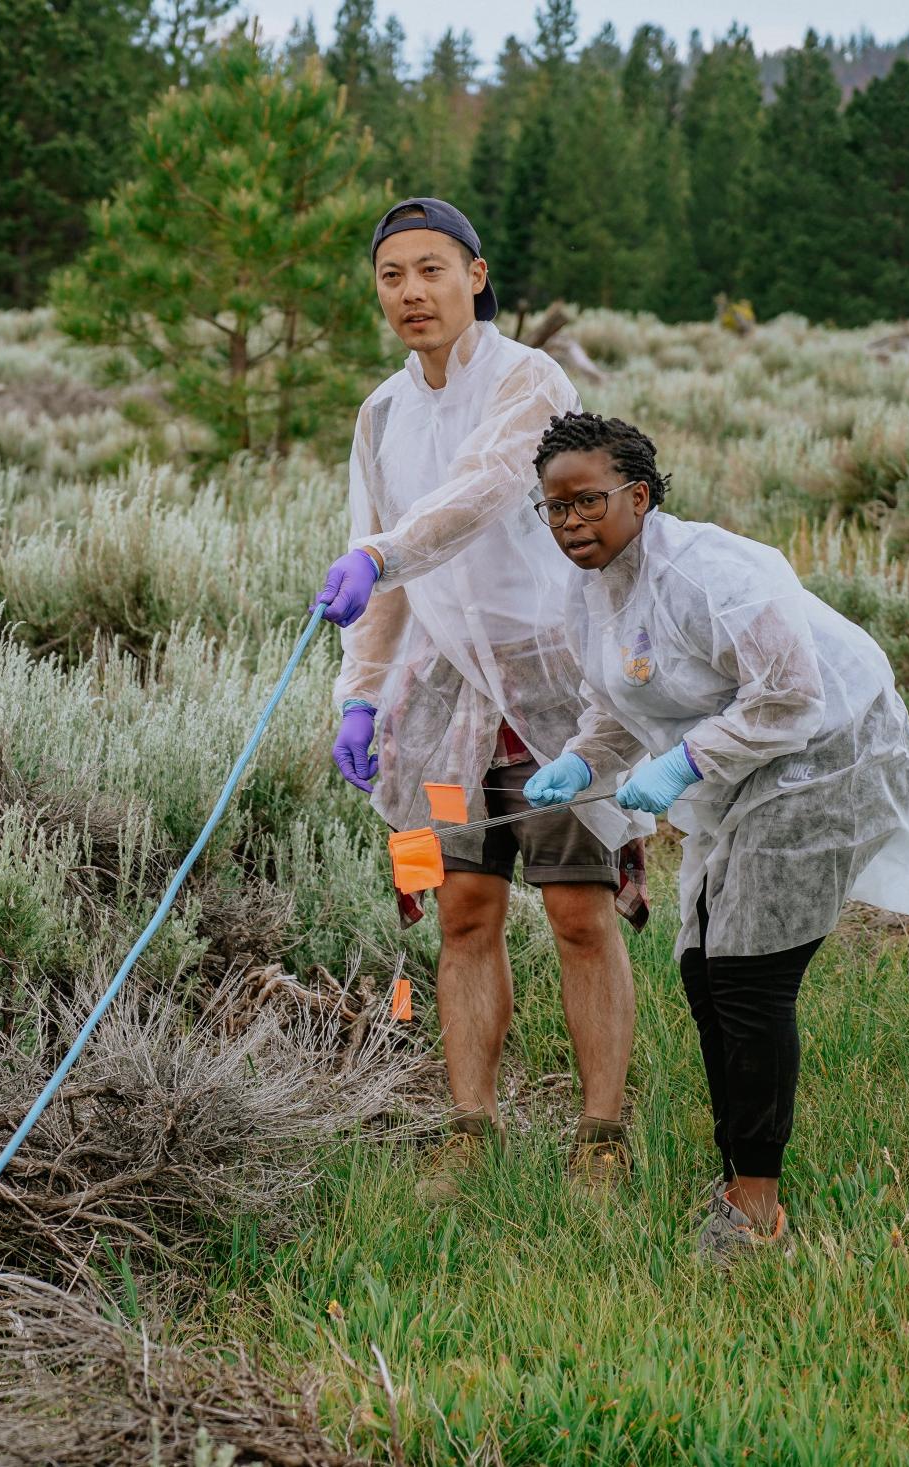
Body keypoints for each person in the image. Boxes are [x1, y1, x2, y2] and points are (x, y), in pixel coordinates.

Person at [519, 411, 909, 1264]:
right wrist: (581, 758)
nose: (570, 524)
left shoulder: (715, 572)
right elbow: (614, 699)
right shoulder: (586, 588)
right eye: (553, 508)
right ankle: (736, 1168)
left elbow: (789, 695)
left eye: (588, 502)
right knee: (704, 972)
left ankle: (755, 1209)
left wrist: (682, 762)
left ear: (638, 494)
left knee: (749, 975)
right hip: (736, 769)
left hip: (826, 753)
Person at [311, 199, 655, 1200]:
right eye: (390, 277)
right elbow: (387, 581)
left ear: (475, 275)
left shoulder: (529, 381)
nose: (411, 292)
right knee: (460, 905)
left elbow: (475, 492)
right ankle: (469, 1125)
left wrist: (377, 552)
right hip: (441, 709)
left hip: (553, 696)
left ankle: (600, 1133)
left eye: (430, 270)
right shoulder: (379, 414)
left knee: (579, 910)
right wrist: (361, 695)